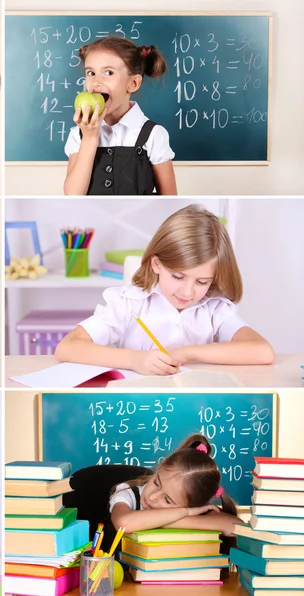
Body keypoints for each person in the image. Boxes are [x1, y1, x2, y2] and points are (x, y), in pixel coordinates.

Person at [55, 205, 275, 374]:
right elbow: (67, 348)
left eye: (202, 282)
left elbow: (262, 351)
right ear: (156, 264)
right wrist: (135, 360)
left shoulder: (214, 308)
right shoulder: (128, 303)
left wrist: (186, 352)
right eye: (178, 276)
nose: (188, 293)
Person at [63, 36, 177, 195]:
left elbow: (169, 199)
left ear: (133, 83)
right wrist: (90, 138)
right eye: (91, 73)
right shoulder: (79, 135)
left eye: (108, 72)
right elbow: (72, 196)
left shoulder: (153, 135)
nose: (96, 82)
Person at [109, 434, 242, 537]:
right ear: (160, 466)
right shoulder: (127, 494)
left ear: (193, 506)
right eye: (156, 483)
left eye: (167, 500)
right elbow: (123, 523)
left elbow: (237, 527)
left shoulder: (197, 509)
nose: (153, 497)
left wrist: (170, 518)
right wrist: (185, 513)